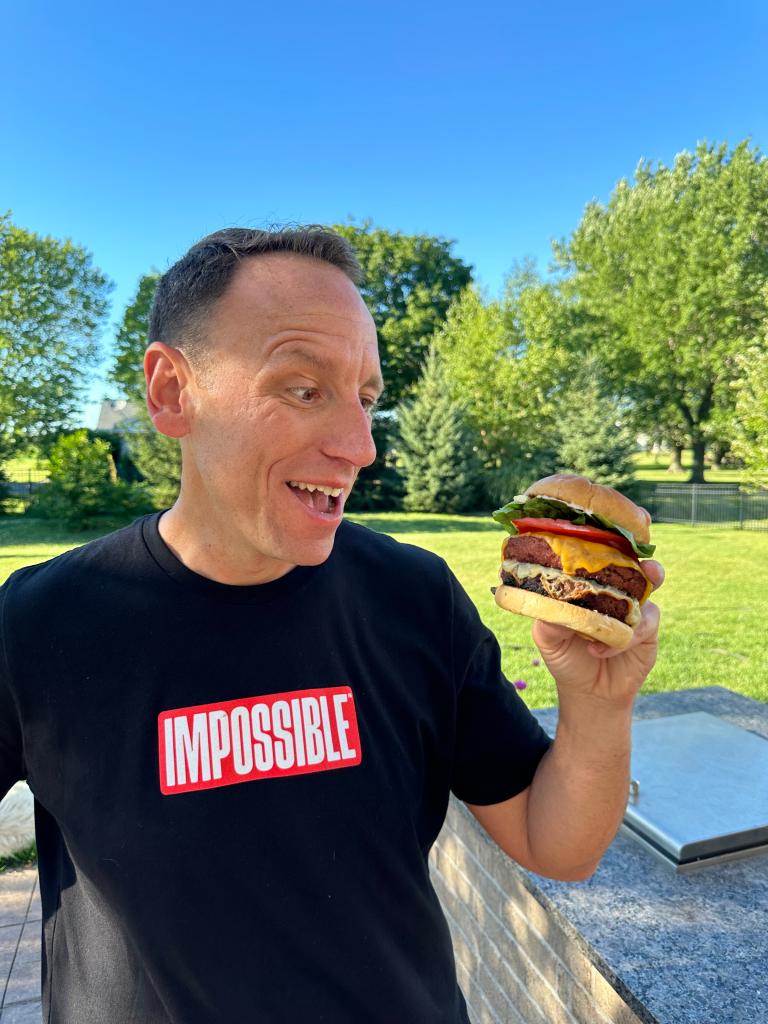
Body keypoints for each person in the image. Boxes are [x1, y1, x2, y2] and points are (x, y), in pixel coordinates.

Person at [0, 227, 662, 1023]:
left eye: (367, 397)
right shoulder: (41, 625)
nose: (360, 447)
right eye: (303, 388)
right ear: (173, 392)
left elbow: (558, 844)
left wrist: (599, 701)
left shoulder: (414, 598)